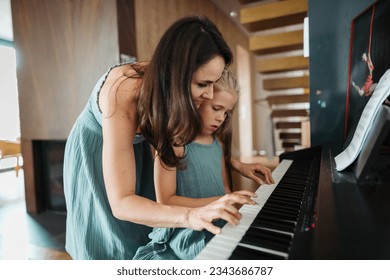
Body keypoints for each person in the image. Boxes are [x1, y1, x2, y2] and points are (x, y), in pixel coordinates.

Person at [63, 15, 273, 260]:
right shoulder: (123, 90)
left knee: (144, 234)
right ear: (177, 73)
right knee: (110, 242)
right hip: (97, 153)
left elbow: (188, 144)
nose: (209, 95)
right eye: (204, 84)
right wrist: (190, 216)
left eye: (214, 83)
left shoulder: (175, 90)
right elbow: (122, 203)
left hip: (140, 152)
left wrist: (234, 164)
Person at [133, 69, 260, 260]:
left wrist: (233, 204)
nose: (221, 118)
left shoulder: (219, 144)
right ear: (195, 102)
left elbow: (225, 190)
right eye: (216, 108)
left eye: (227, 112)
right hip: (186, 229)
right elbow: (166, 200)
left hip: (217, 222)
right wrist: (219, 202)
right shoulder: (174, 144)